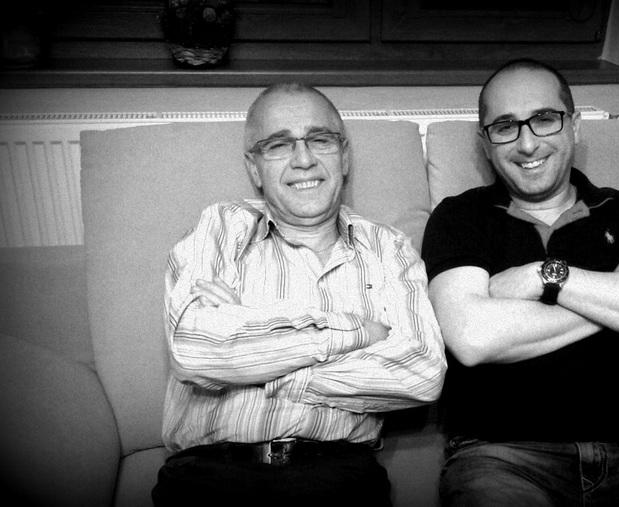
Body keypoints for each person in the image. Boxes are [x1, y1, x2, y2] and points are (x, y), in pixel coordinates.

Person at [421, 58, 619, 506]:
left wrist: (543, 277)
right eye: (505, 127)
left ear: (575, 126)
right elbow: (471, 338)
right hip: (500, 456)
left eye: (544, 119)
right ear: (485, 142)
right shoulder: (460, 217)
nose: (527, 144)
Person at [152, 82, 447, 506]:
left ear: (344, 156)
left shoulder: (389, 248)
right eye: (278, 145)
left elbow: (422, 373)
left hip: (338, 477)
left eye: (320, 140)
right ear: (254, 168)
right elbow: (195, 348)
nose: (303, 159)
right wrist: (355, 332)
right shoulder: (222, 227)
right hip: (210, 476)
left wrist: (253, 353)